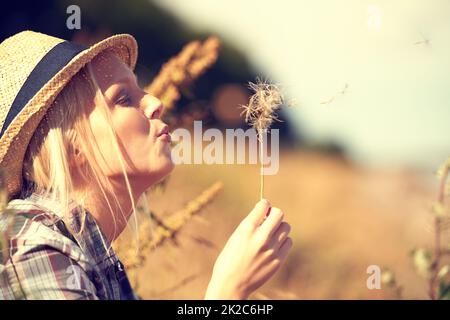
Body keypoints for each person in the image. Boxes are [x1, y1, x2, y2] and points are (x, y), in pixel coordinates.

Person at [0, 31, 292, 300]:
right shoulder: (30, 249)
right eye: (124, 98)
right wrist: (228, 290)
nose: (155, 102)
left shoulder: (95, 260)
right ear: (70, 145)